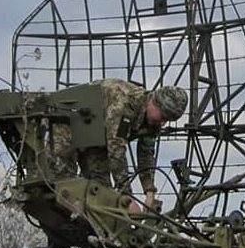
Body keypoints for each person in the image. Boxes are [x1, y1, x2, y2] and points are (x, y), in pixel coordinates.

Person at [73, 79, 188, 211]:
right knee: (61, 182)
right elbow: (116, 148)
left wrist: (149, 192)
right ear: (154, 102)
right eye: (163, 116)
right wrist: (127, 197)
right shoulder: (126, 104)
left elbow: (146, 154)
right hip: (68, 122)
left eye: (167, 120)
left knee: (101, 194)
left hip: (96, 139)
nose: (163, 123)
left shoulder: (153, 123)